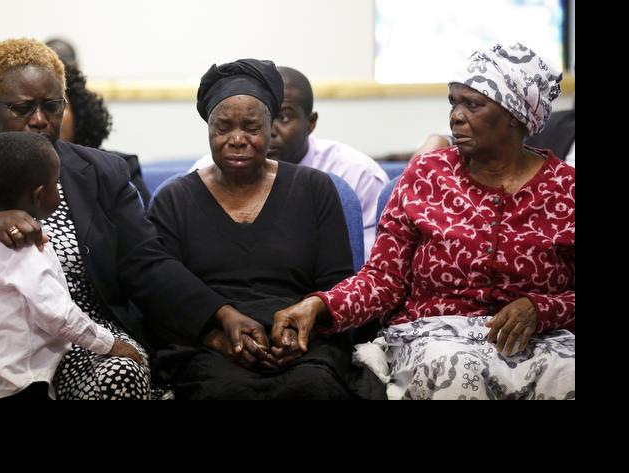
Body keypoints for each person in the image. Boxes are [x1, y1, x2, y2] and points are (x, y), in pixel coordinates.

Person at [0, 38, 264, 400]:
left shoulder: (103, 171)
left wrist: (219, 313)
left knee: (120, 372)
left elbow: (146, 263)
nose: (40, 120)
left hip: (78, 333)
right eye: (22, 108)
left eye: (52, 105)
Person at [271, 43, 575, 400]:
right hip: (434, 337)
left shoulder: (565, 188)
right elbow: (384, 279)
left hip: (543, 340)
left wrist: (543, 308)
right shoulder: (427, 175)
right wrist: (321, 304)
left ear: (515, 114)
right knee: (457, 370)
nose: (456, 117)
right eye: (453, 102)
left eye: (472, 105)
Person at [148, 59, 382, 400]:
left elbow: (337, 285)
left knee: (313, 388)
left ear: (270, 128)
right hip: (209, 346)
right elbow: (162, 297)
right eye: (224, 127)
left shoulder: (315, 189)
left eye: (252, 127)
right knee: (224, 391)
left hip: (305, 343)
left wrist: (302, 334)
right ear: (209, 130)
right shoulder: (175, 199)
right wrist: (217, 340)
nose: (237, 139)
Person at [0, 132, 143, 400]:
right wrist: (111, 344)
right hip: (18, 382)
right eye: (56, 183)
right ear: (39, 194)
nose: (59, 189)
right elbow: (59, 316)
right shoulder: (25, 254)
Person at [188, 66, 388, 259]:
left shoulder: (358, 175)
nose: (269, 130)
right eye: (259, 118)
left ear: (311, 123)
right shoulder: (205, 173)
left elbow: (371, 265)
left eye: (282, 117)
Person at [60, 63, 151, 206]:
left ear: (79, 111)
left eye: (54, 105)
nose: (39, 118)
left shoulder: (117, 170)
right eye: (25, 107)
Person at [414, 104, 574, 167]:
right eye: (453, 102)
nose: (455, 116)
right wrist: (440, 139)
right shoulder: (552, 123)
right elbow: (485, 130)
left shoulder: (563, 184)